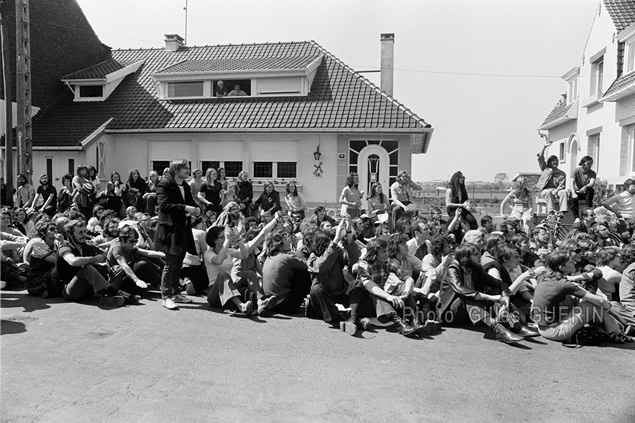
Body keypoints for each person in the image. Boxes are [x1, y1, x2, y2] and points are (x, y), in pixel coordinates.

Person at [437, 243, 525, 344]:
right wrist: (491, 298)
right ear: (466, 256)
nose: (480, 256)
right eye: (476, 254)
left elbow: (498, 283)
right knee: (467, 297)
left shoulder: (476, 268)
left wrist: (505, 299)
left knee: (495, 291)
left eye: (480, 253)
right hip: (449, 314)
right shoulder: (453, 269)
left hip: (470, 311)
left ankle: (515, 324)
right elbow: (461, 289)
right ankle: (499, 330)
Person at [532, 250, 625, 343]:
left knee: (582, 300)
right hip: (554, 331)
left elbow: (597, 273)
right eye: (571, 261)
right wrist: (608, 306)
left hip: (543, 328)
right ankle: (617, 332)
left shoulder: (545, 277)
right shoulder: (564, 284)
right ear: (561, 267)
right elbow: (601, 301)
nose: (575, 263)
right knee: (590, 305)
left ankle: (614, 330)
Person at [57, 219, 139, 307]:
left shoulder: (87, 245)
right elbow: (73, 261)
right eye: (80, 232)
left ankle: (106, 298)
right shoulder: (65, 247)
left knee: (117, 268)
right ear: (70, 234)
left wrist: (105, 264)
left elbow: (103, 255)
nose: (84, 235)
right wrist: (95, 259)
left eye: (85, 231)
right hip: (71, 291)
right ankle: (118, 293)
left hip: (88, 289)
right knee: (88, 268)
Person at [155, 159, 199, 310]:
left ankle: (175, 293)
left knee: (179, 263)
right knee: (170, 264)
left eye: (188, 168)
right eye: (184, 168)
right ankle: (166, 297)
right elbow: (164, 205)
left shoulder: (185, 186)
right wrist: (186, 208)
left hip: (182, 229)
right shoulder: (165, 185)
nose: (188, 171)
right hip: (170, 231)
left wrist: (195, 209)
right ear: (176, 170)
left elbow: (190, 203)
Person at [355, 237, 418, 336]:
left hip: (381, 303)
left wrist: (405, 293)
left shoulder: (387, 262)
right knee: (377, 293)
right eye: (384, 251)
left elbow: (408, 279)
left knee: (401, 287)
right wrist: (388, 296)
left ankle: (414, 319)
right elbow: (369, 285)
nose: (387, 254)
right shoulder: (364, 264)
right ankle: (398, 323)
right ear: (375, 253)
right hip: (365, 302)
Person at [204, 225, 255, 314]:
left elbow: (245, 255)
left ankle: (260, 301)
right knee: (223, 274)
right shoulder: (208, 254)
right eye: (222, 237)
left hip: (229, 287)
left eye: (226, 236)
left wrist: (239, 239)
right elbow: (218, 261)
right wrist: (226, 243)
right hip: (215, 292)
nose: (226, 238)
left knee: (249, 273)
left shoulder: (229, 251)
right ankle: (241, 306)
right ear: (215, 240)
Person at [260, 230, 311, 315]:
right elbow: (307, 266)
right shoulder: (286, 258)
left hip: (272, 301)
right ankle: (314, 303)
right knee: (302, 273)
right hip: (286, 305)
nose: (289, 241)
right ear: (279, 244)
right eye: (286, 239)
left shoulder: (269, 257)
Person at [107, 225, 164, 294]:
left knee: (147, 258)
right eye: (131, 241)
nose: (134, 244)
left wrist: (165, 255)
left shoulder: (129, 246)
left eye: (135, 241)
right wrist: (136, 280)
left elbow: (147, 253)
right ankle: (164, 285)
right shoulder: (117, 248)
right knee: (142, 264)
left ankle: (169, 280)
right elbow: (124, 266)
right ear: (122, 239)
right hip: (120, 281)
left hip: (129, 277)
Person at [22, 220, 60, 298]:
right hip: (37, 278)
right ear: (43, 233)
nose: (55, 231)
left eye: (56, 229)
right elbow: (56, 261)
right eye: (52, 230)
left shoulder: (57, 243)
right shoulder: (38, 245)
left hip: (51, 274)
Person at [536, 142, 567, 214]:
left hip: (556, 190)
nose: (555, 162)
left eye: (557, 161)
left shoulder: (562, 173)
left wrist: (556, 191)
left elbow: (561, 186)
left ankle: (562, 211)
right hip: (545, 190)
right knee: (548, 192)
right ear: (549, 163)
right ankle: (551, 211)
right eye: (553, 161)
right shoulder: (545, 169)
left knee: (563, 192)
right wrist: (544, 147)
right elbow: (540, 157)